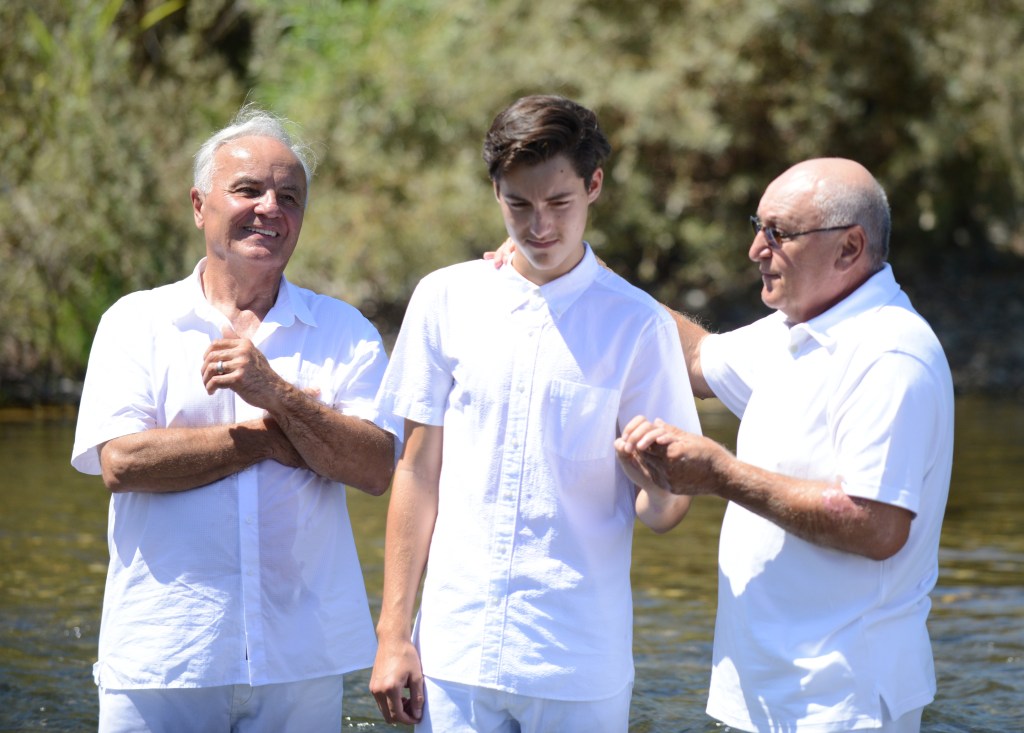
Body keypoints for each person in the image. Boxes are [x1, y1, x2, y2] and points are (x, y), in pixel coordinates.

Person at [368, 94, 701, 732]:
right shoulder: (444, 298)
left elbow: (668, 510)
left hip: (578, 661)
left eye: (559, 202)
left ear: (594, 186)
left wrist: (657, 486)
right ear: (495, 192)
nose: (539, 225)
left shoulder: (638, 324)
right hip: (454, 653)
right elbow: (415, 472)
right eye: (518, 204)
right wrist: (393, 634)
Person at [70, 105, 400, 733]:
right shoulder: (135, 322)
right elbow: (122, 463)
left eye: (289, 197)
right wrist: (263, 439)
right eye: (248, 190)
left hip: (300, 659)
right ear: (200, 206)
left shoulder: (344, 330)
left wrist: (276, 394)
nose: (270, 208)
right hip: (164, 657)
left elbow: (377, 467)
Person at [616, 158, 954, 733]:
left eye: (779, 233)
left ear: (849, 247)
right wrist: (580, 268)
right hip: (768, 694)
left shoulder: (890, 353)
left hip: (842, 705)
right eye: (758, 226)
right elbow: (694, 357)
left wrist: (720, 475)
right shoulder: (794, 329)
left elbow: (876, 526)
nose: (756, 249)